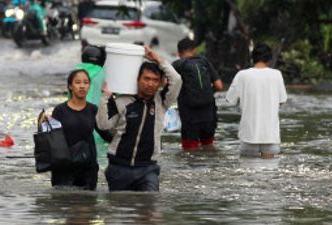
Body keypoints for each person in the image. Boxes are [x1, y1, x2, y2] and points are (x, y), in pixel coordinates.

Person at [97, 46, 182, 192]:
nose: (150, 83)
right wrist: (105, 97)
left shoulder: (161, 101)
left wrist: (157, 59)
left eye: (155, 80)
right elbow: (103, 125)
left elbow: (177, 80)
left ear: (160, 83)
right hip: (119, 167)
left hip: (148, 168)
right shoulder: (121, 101)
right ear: (137, 79)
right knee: (118, 210)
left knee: (150, 205)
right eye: (146, 79)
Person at [225, 43, 288, 158]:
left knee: (248, 174)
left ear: (252, 57)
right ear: (269, 58)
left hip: (248, 137)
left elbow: (230, 99)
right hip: (270, 137)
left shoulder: (242, 75)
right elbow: (281, 101)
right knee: (269, 174)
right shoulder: (276, 75)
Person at [48, 69, 101, 190]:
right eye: (78, 82)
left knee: (88, 205)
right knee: (65, 204)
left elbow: (106, 133)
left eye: (85, 82)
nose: (82, 86)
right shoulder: (60, 110)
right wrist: (44, 123)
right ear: (70, 86)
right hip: (64, 170)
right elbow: (52, 139)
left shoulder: (93, 110)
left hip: (88, 169)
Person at [172, 38, 223, 150]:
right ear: (194, 50)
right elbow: (219, 86)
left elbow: (166, 83)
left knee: (190, 151)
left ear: (179, 53)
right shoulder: (204, 61)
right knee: (209, 147)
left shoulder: (178, 65)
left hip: (189, 116)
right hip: (209, 114)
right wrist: (209, 92)